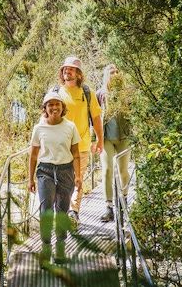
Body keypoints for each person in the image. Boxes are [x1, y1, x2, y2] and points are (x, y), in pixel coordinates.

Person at [29, 91, 82, 266]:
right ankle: (45, 247)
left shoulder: (70, 126)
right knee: (46, 210)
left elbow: (75, 153)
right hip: (45, 171)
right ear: (45, 108)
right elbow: (34, 154)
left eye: (57, 104)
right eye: (50, 105)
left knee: (62, 209)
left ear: (62, 107)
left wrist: (78, 176)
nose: (54, 107)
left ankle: (60, 246)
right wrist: (30, 178)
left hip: (66, 171)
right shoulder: (39, 128)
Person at [51, 56, 104, 230]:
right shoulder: (56, 91)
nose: (68, 71)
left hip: (81, 145)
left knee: (77, 181)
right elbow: (46, 117)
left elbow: (96, 118)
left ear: (78, 73)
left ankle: (73, 214)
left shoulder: (87, 93)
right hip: (59, 146)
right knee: (60, 182)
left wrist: (100, 141)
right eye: (65, 68)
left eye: (72, 69)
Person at [96, 63, 132, 221]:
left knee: (123, 170)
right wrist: (94, 139)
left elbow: (134, 115)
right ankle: (109, 207)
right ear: (106, 76)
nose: (115, 74)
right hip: (106, 138)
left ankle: (123, 202)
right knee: (107, 170)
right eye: (112, 72)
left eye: (117, 72)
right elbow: (94, 118)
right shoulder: (100, 95)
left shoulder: (127, 94)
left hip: (124, 137)